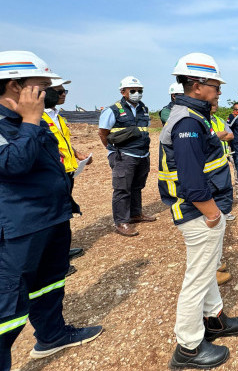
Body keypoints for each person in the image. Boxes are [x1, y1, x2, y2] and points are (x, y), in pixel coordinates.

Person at [0, 51, 102, 369]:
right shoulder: (15, 123)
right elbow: (13, 164)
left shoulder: (35, 121)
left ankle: (51, 335)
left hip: (51, 217)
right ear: (16, 86)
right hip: (21, 228)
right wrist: (31, 121)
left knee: (50, 283)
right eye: (42, 86)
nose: (49, 93)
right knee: (8, 310)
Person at [158, 53, 238, 369]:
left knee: (206, 268)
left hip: (203, 210)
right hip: (198, 213)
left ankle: (215, 319)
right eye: (215, 84)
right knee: (197, 277)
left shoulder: (194, 116)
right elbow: (192, 184)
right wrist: (212, 214)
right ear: (197, 85)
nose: (220, 91)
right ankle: (189, 347)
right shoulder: (187, 122)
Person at [43, 77, 92, 276]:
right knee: (51, 215)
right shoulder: (34, 118)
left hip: (66, 172)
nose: (63, 94)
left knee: (63, 213)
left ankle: (61, 252)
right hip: (50, 174)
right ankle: (52, 262)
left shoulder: (57, 115)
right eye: (59, 91)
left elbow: (61, 142)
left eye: (65, 92)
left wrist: (77, 154)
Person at [98, 76, 156, 237]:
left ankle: (136, 213)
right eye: (133, 90)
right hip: (124, 155)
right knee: (122, 189)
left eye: (140, 91)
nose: (137, 93)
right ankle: (122, 221)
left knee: (137, 186)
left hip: (142, 154)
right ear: (123, 92)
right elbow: (103, 133)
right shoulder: (113, 110)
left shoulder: (143, 109)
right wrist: (111, 151)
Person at [210, 103, 236, 227]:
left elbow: (230, 135)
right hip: (210, 160)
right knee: (211, 187)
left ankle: (224, 212)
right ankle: (212, 213)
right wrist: (219, 135)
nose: (216, 105)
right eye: (213, 103)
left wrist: (217, 136)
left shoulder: (220, 120)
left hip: (223, 157)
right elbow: (206, 139)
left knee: (225, 186)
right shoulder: (201, 120)